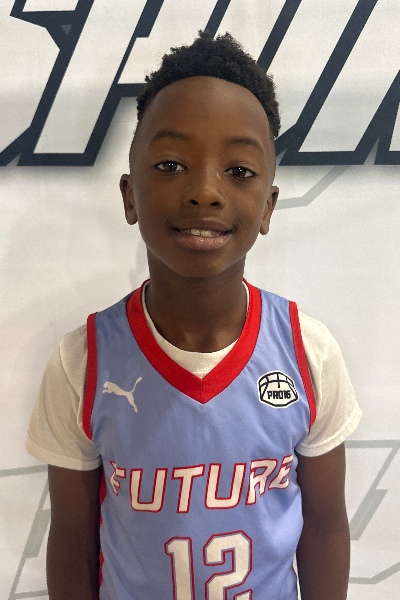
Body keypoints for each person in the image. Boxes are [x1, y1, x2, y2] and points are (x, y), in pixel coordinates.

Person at [26, 30, 361, 600]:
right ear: (129, 196)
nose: (205, 191)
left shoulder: (308, 352)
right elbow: (73, 540)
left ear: (268, 208)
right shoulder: (81, 362)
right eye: (171, 163)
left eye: (239, 171)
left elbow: (326, 528)